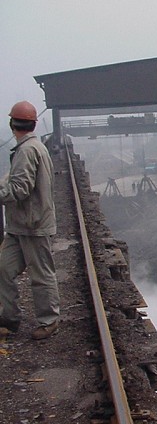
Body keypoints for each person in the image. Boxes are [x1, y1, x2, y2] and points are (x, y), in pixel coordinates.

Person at [0, 101, 59, 340]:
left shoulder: (27, 150)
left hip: (33, 225)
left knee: (41, 275)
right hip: (19, 226)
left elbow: (19, 189)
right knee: (3, 268)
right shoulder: (32, 147)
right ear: (33, 123)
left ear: (12, 123)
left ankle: (49, 321)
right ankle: (9, 318)